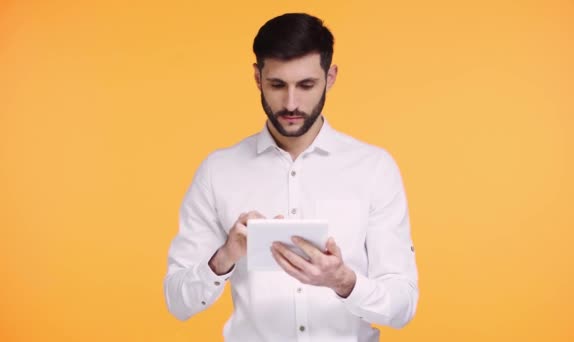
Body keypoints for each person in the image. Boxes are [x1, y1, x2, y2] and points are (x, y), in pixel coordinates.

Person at [163, 12, 419, 342]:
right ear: (257, 77)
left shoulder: (374, 168)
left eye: (306, 85)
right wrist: (224, 257)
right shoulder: (218, 171)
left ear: (330, 77)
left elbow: (403, 306)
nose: (291, 103)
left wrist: (343, 281)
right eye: (277, 85)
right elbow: (177, 302)